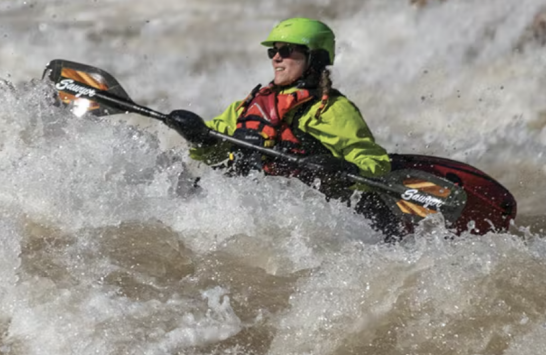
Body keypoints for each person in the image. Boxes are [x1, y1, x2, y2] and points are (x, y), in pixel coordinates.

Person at [165, 18, 402, 235]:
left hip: (316, 225)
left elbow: (378, 165)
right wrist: (200, 138)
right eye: (273, 51)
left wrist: (343, 168)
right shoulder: (248, 106)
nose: (276, 58)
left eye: (286, 51)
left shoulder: (332, 110)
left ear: (315, 58)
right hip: (247, 218)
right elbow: (214, 151)